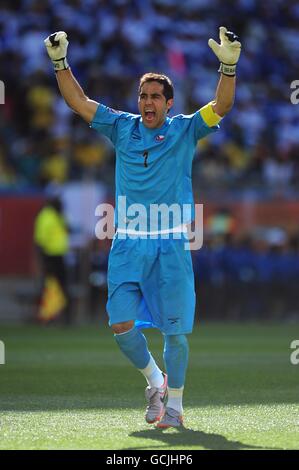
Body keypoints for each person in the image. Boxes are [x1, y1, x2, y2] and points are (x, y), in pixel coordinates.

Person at [44, 27, 241, 428]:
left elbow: (221, 105)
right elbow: (79, 103)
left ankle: (175, 407)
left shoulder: (186, 128)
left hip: (170, 243)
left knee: (175, 334)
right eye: (143, 95)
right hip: (128, 243)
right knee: (119, 324)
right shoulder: (120, 127)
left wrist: (229, 66)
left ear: (169, 103)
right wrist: (60, 63)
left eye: (155, 96)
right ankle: (155, 380)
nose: (147, 102)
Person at [34, 196, 70, 324]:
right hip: (49, 256)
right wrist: (41, 260)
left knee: (61, 287)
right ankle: (47, 316)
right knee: (51, 287)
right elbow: (40, 240)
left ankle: (62, 316)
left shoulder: (57, 215)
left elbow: (65, 230)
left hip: (59, 255)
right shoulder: (46, 216)